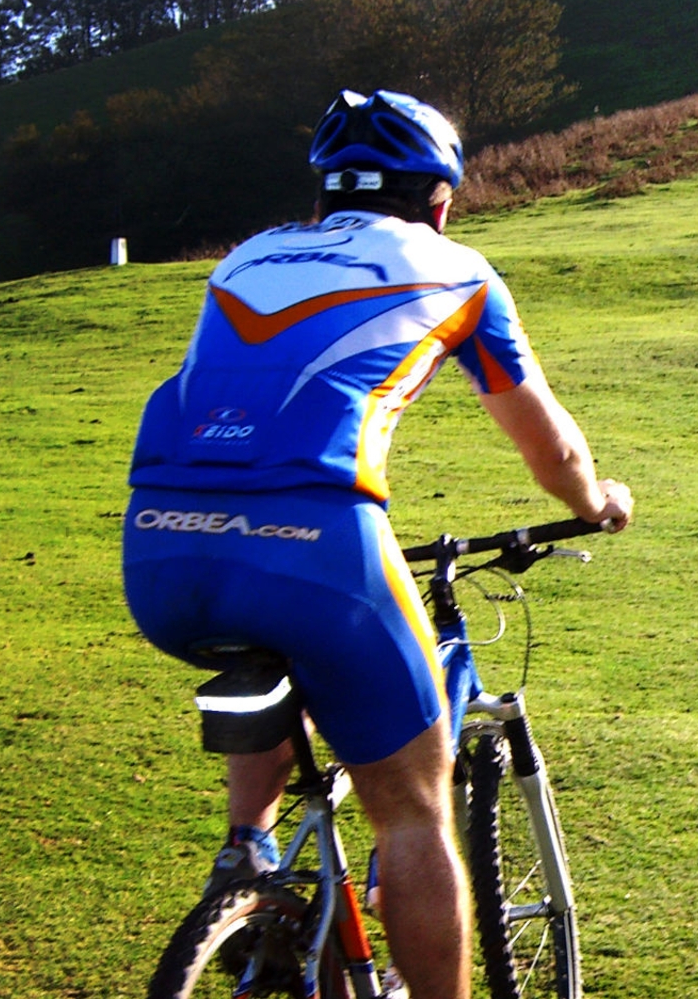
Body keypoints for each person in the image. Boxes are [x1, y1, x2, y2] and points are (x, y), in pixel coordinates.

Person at [122, 89, 632, 999]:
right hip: (314, 547)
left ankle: (248, 859)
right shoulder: (458, 268)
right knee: (412, 809)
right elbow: (546, 443)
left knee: (277, 660)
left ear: (323, 195)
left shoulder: (244, 258)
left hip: (160, 552)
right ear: (440, 199)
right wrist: (595, 503)